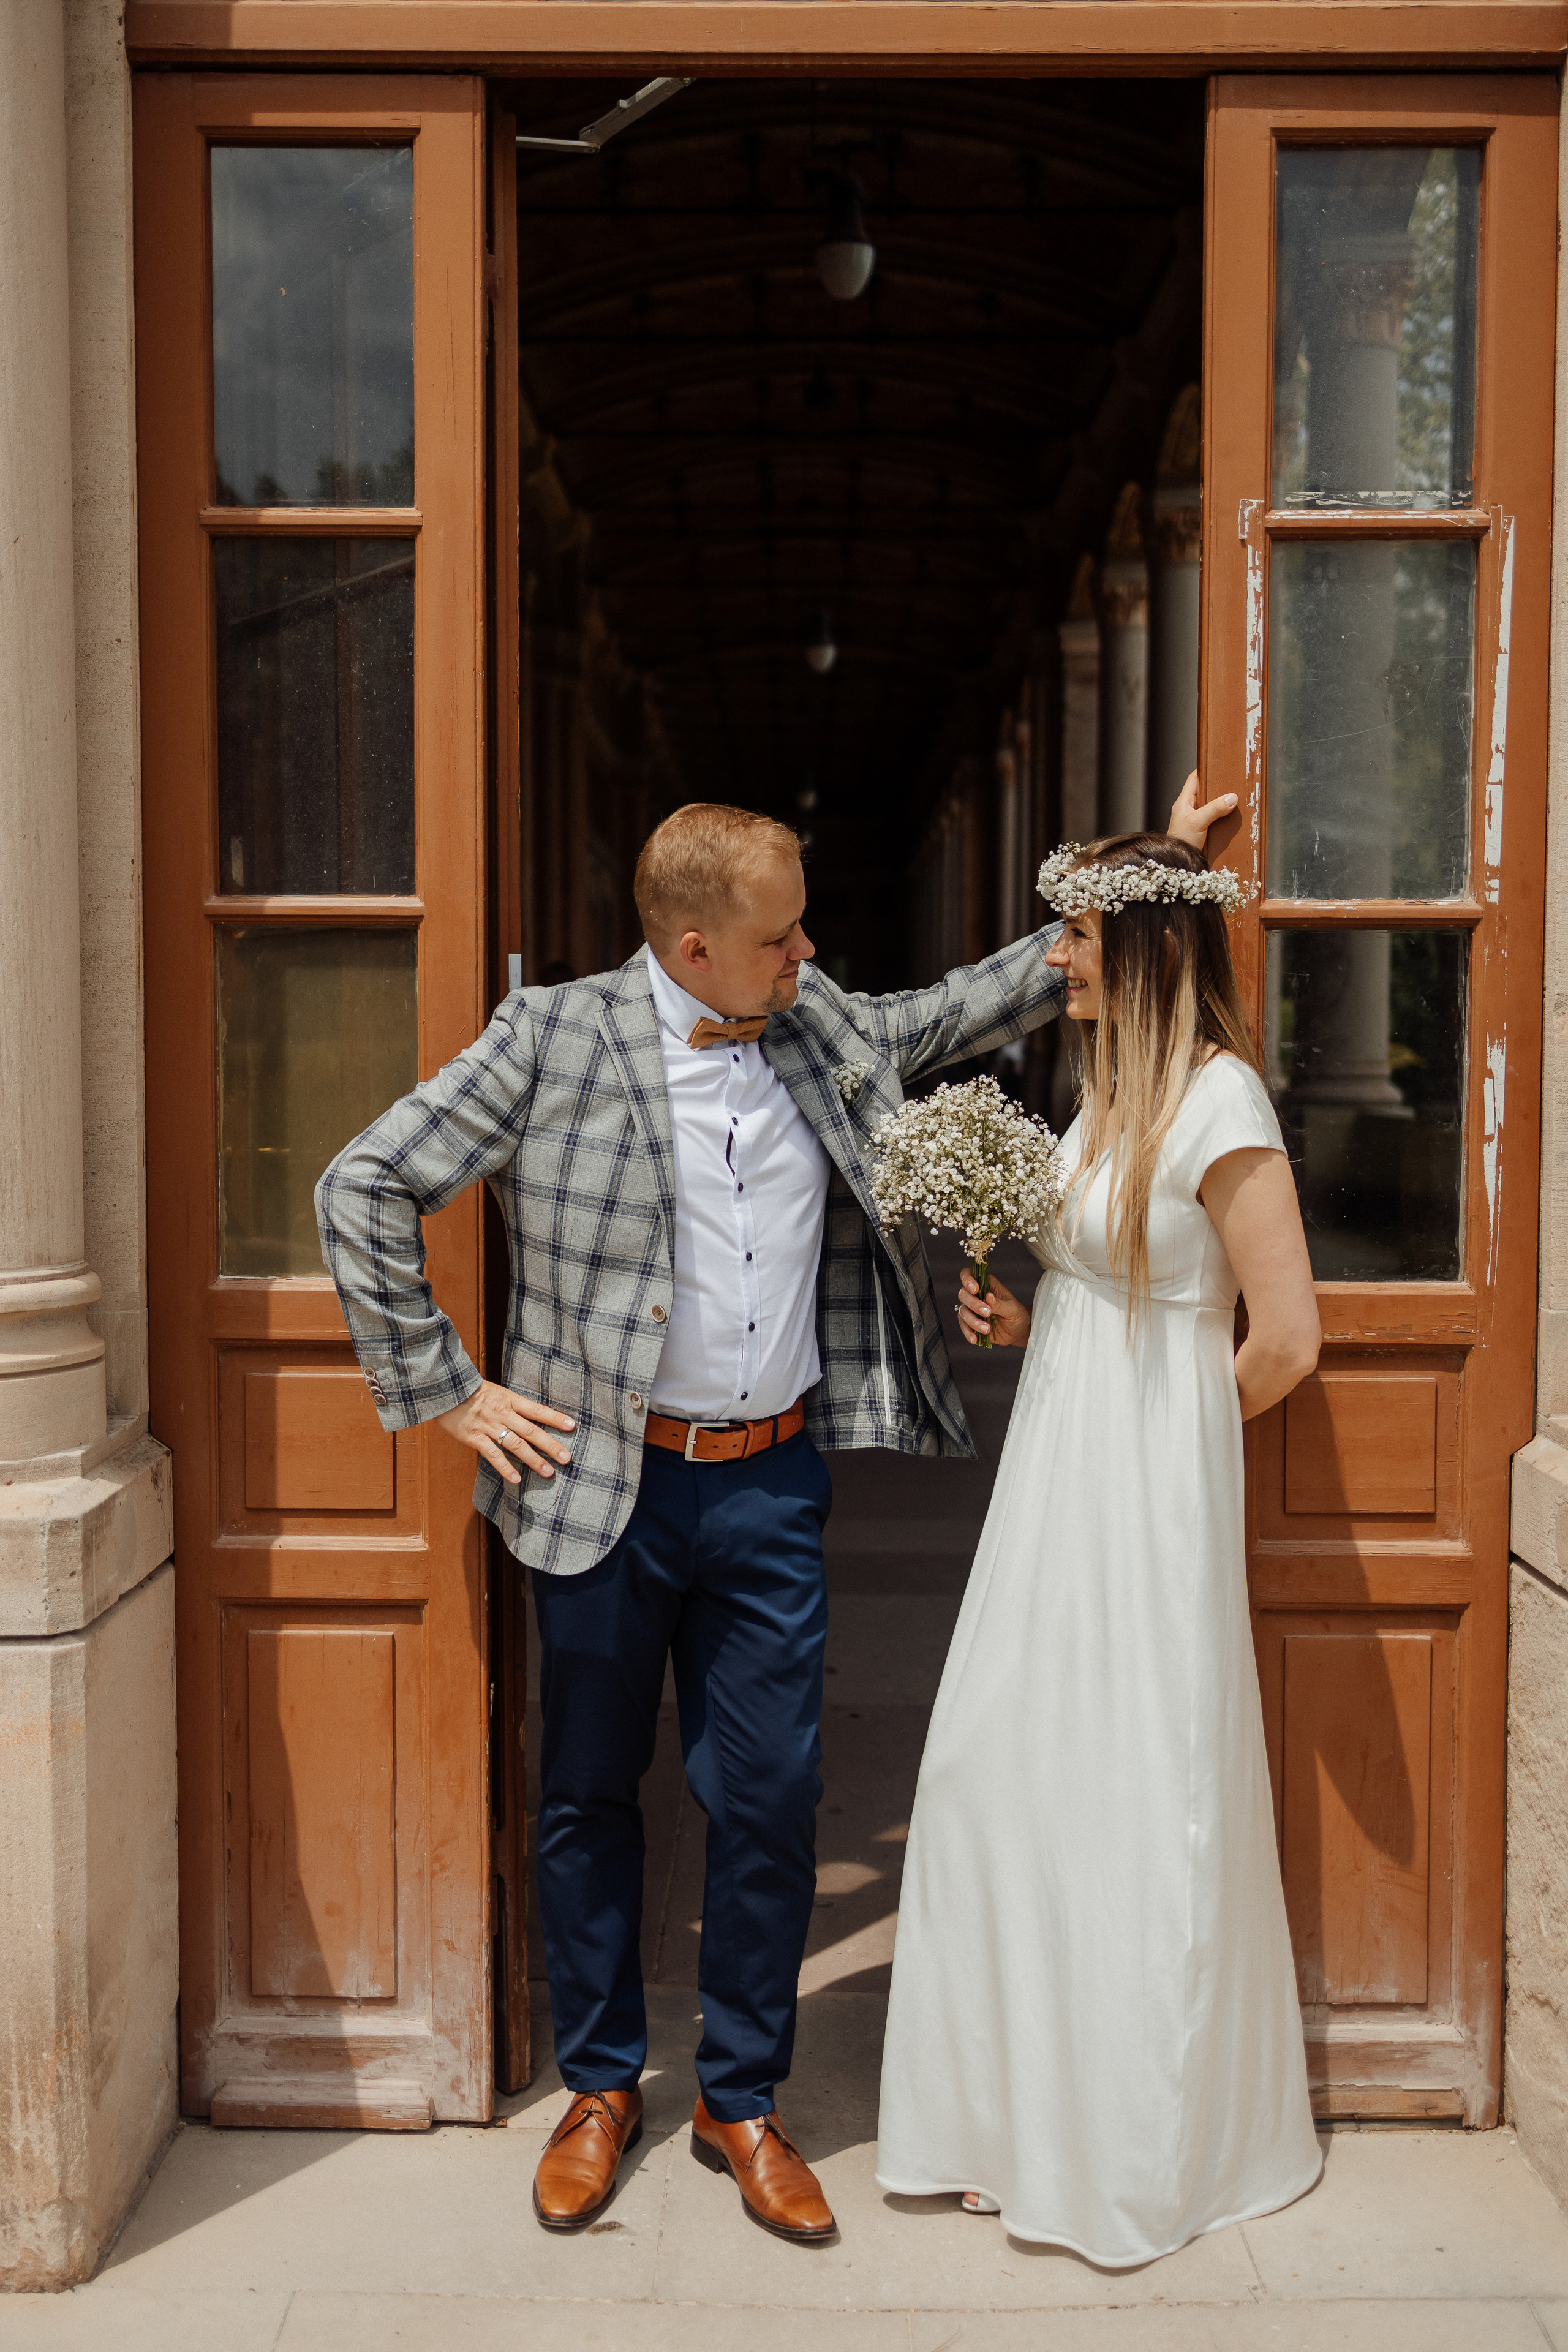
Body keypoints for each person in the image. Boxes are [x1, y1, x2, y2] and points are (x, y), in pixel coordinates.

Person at [315, 785, 1233, 2244]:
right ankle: (602, 2088)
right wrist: (448, 1391)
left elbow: (959, 1006)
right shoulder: (549, 1039)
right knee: (588, 1796)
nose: (806, 950)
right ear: (689, 945)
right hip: (599, 1484)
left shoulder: (818, 1023)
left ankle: (741, 2098)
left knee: (770, 1799)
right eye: (778, 933)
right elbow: (362, 1183)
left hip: (771, 1484)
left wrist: (1135, 886)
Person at [876, 832, 1324, 2267]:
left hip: (1140, 1498)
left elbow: (1285, 1339)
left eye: (1072, 936)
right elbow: (1095, 1277)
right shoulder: (1093, 1102)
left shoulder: (1221, 1102)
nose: (1053, 959)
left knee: (1135, 1794)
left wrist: (1160, 1440)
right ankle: (1009, 2117)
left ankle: (1130, 2147)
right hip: (1048, 1486)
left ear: (1136, 947)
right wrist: (1023, 1316)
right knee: (989, 1774)